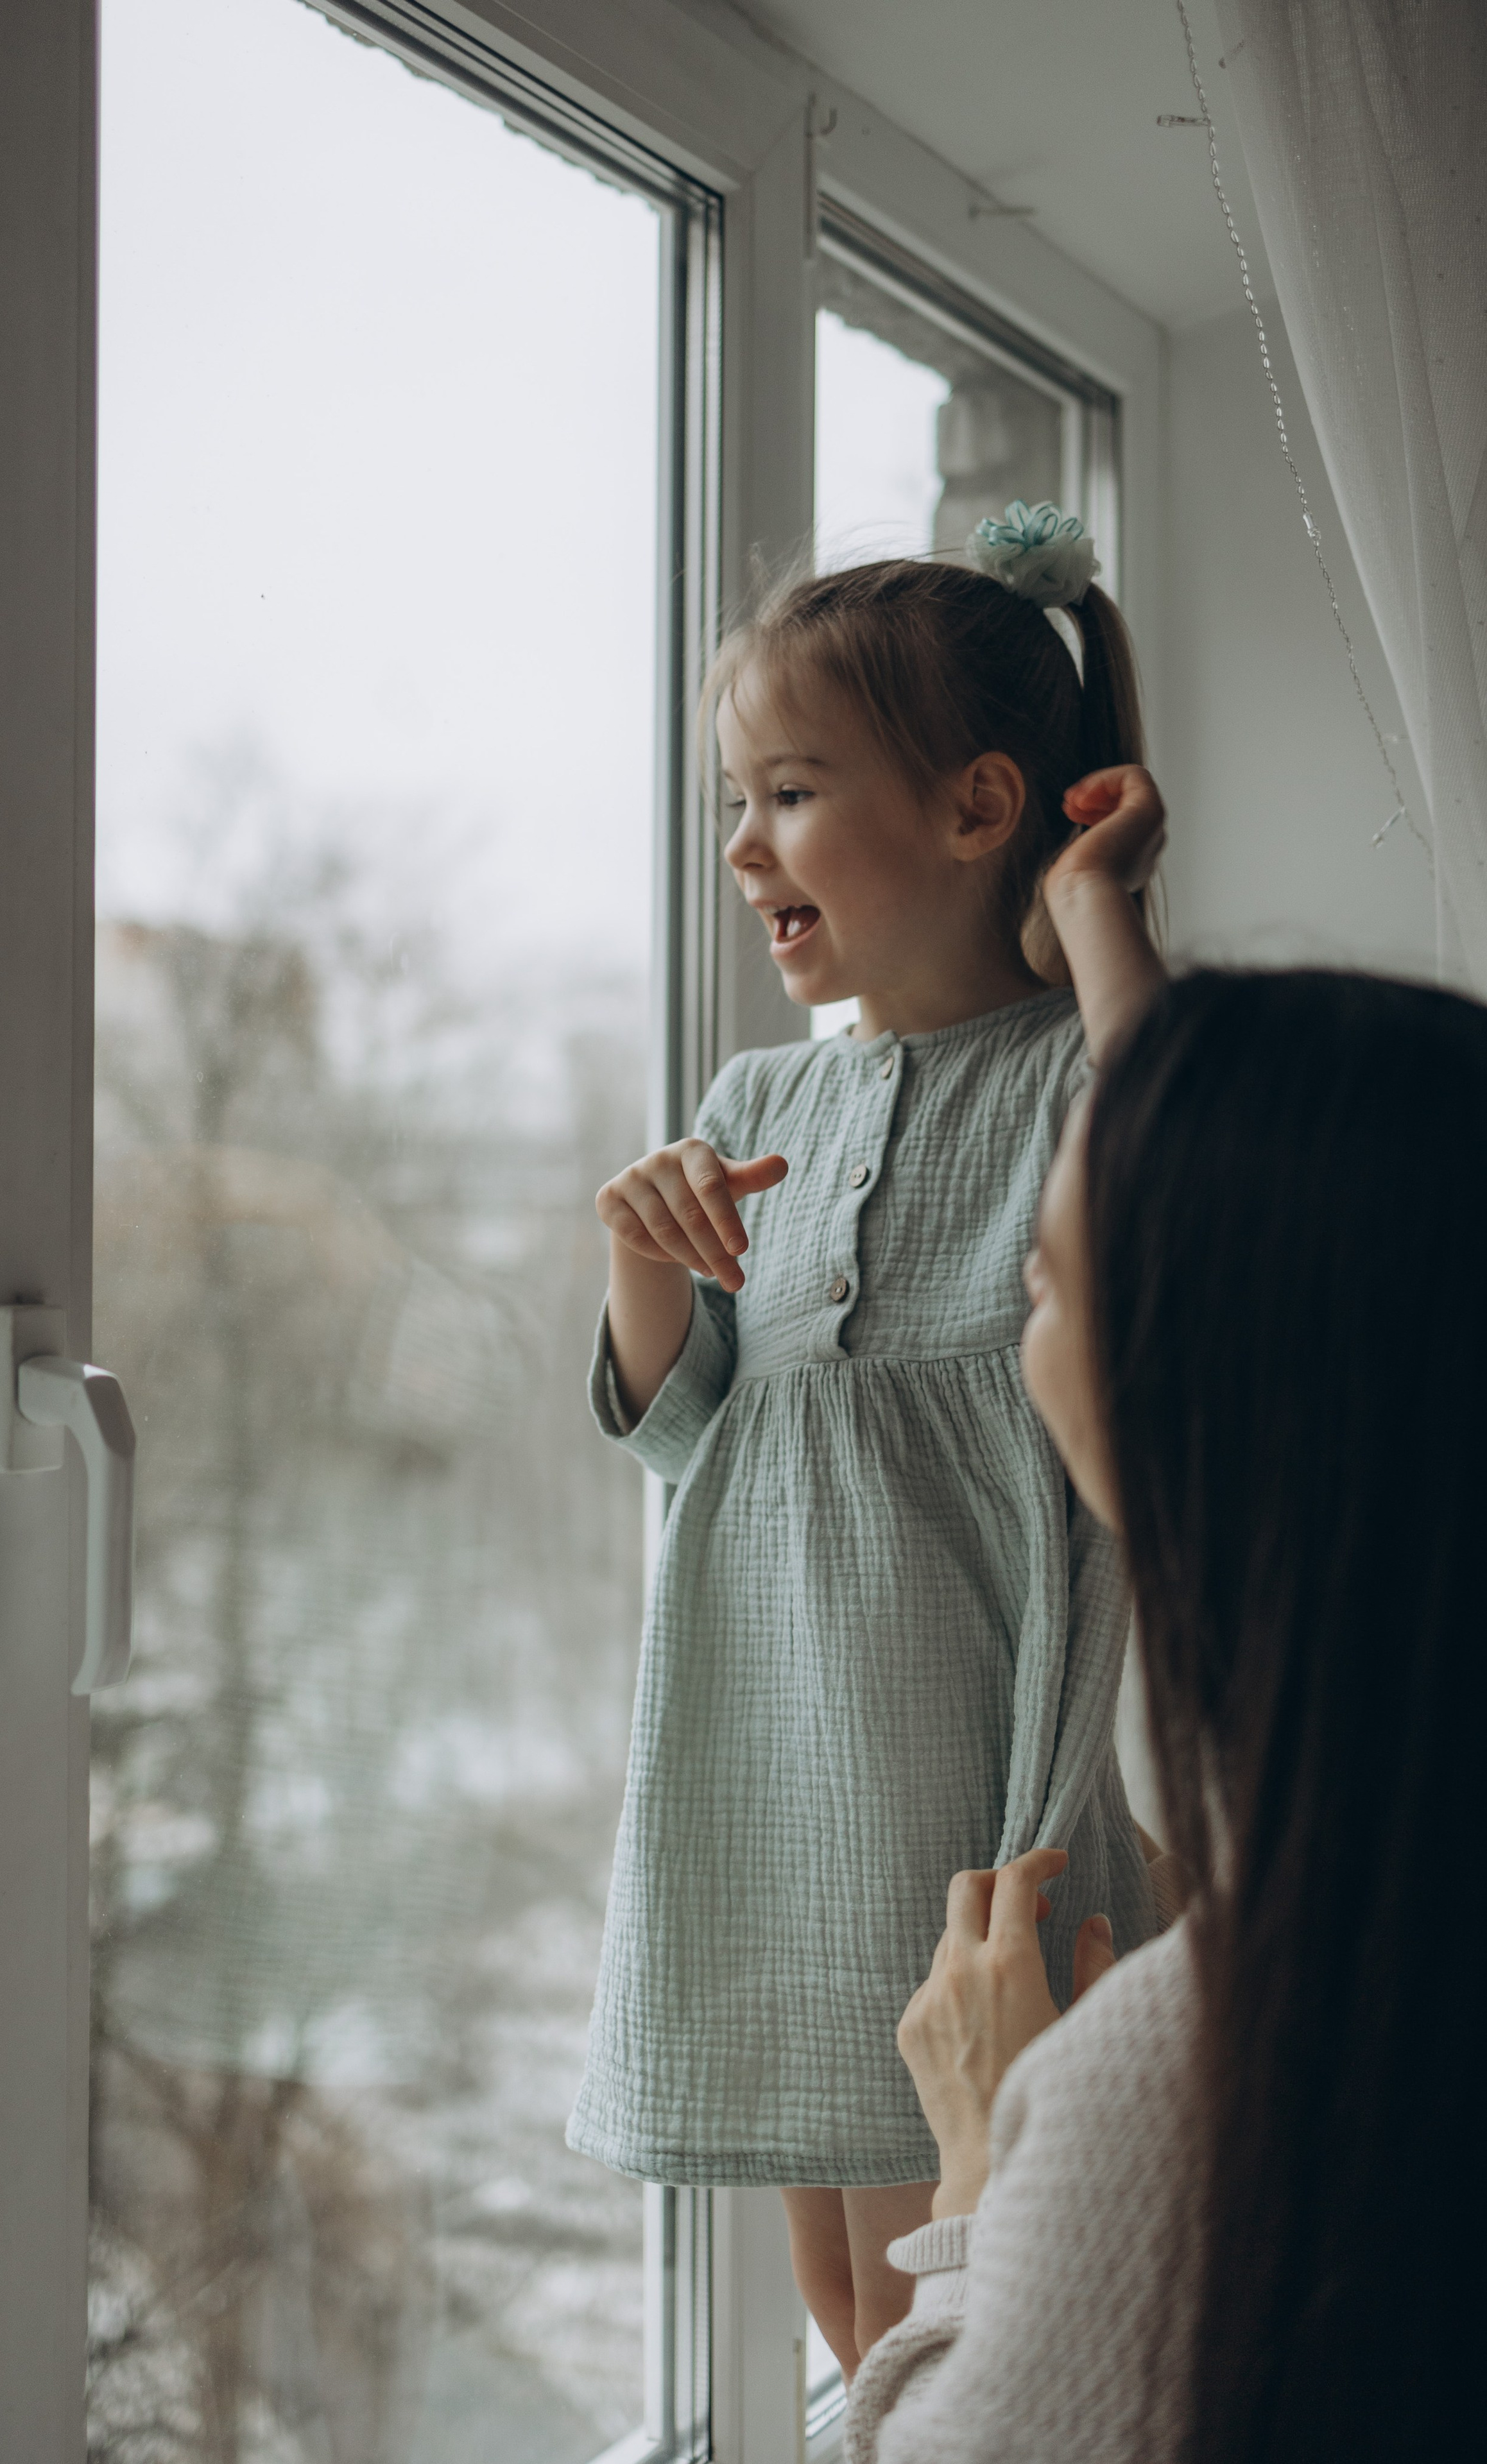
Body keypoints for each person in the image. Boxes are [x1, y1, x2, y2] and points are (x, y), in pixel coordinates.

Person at [565, 503, 1175, 2371]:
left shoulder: (1090, 1072)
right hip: (767, 1800)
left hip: (972, 1827)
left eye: (792, 792)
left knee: (990, 2310)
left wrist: (1098, 914)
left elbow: (1184, 1223)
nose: (746, 845)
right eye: (732, 803)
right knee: (850, 2319)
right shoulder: (761, 1101)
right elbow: (692, 1436)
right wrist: (643, 1247)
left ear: (982, 807)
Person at [848, 966, 1487, 2462]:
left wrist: (976, 2183)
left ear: (1198, 1392)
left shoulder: (1197, 2078)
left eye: (1048, 1284)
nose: (1023, 1327)